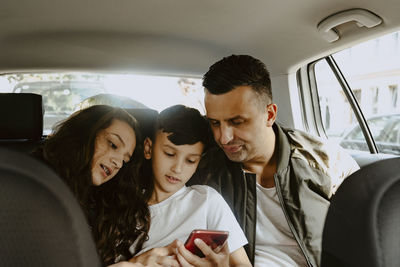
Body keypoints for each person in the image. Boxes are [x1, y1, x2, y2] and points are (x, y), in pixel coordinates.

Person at [201, 55, 360, 267]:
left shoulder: (326, 161)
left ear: (269, 114)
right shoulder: (205, 172)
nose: (223, 137)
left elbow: (368, 236)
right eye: (214, 123)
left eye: (237, 122)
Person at [128, 105, 252, 267]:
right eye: (170, 154)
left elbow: (243, 264)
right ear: (148, 149)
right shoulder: (125, 208)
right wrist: (136, 262)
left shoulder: (206, 200)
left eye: (190, 160)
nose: (177, 168)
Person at [33, 105, 150, 266]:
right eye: (113, 145)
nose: (117, 162)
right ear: (84, 134)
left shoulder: (101, 206)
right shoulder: (33, 182)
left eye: (124, 160)